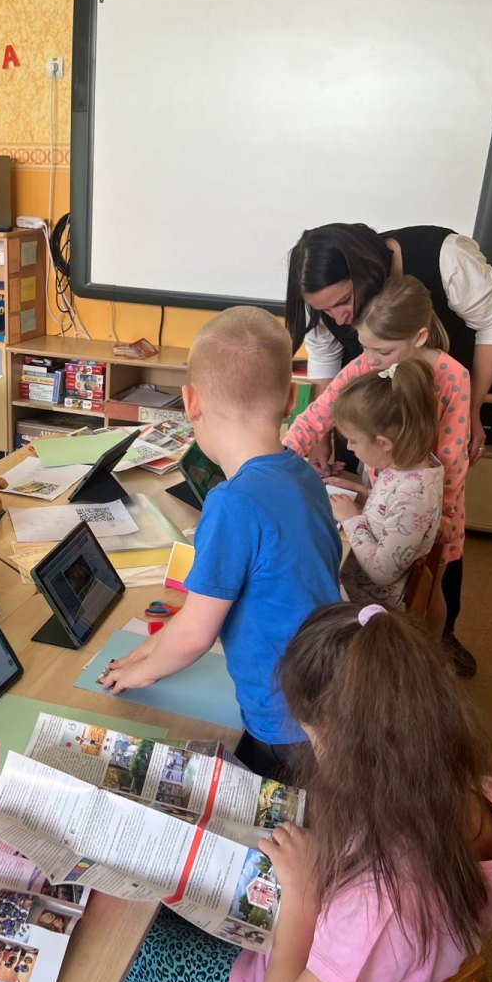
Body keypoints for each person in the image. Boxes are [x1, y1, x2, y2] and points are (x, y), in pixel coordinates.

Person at [114, 603, 492, 982]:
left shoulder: (383, 901)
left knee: (125, 952)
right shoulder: (488, 801)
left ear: (351, 747)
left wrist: (302, 896)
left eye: (311, 733)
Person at [99, 307, 342, 780]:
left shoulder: (232, 504)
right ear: (291, 399)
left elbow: (196, 634)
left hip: (285, 725)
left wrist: (142, 672)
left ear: (190, 402)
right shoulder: (303, 474)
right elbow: (202, 614)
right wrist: (145, 651)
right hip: (325, 693)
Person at [284, 276, 473, 673]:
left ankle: (429, 662)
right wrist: (280, 462)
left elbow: (452, 461)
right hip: (388, 495)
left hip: (429, 507)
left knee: (429, 589)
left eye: (382, 350)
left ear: (419, 337)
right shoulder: (366, 365)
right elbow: (317, 415)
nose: (369, 360)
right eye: (364, 347)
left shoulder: (452, 376)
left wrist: (438, 522)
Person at [285, 222, 492, 465]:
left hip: (433, 427)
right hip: (369, 425)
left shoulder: (447, 257)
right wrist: (320, 439)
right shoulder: (362, 364)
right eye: (325, 310)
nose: (339, 320)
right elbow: (323, 371)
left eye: (344, 301)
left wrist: (471, 410)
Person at [328, 359, 443, 610]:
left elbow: (382, 572)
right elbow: (392, 514)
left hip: (372, 608)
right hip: (361, 588)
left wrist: (350, 518)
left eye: (352, 440)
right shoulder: (405, 467)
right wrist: (364, 496)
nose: (349, 447)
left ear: (384, 443)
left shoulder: (414, 495)